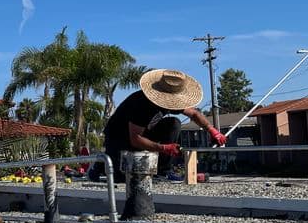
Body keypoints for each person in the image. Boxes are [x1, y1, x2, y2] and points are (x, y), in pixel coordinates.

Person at [90, 69, 227, 183]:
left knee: (174, 123)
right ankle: (101, 166)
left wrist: (212, 130)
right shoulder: (142, 105)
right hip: (120, 138)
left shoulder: (171, 102)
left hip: (143, 132)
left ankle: (163, 171)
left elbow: (195, 114)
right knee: (125, 179)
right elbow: (135, 139)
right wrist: (164, 148)